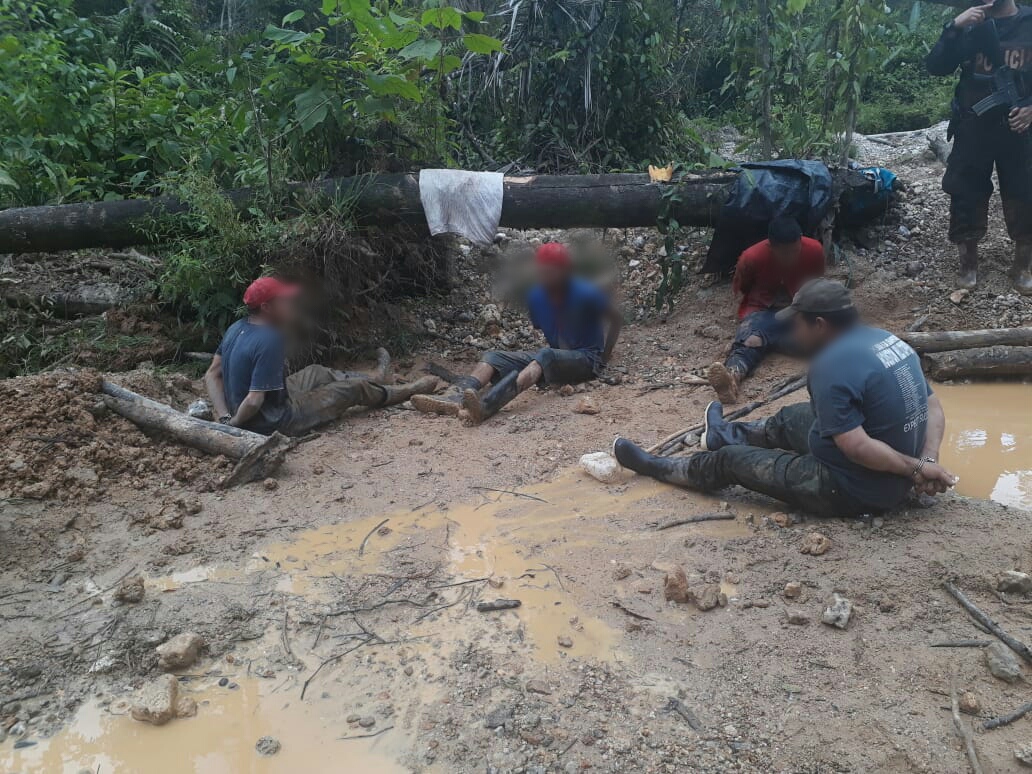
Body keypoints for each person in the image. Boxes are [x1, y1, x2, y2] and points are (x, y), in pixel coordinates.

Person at [614, 279, 957, 516]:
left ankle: (661, 468)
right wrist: (926, 461)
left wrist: (916, 471)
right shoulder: (889, 341)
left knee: (733, 462)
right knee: (793, 416)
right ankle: (719, 434)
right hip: (893, 470)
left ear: (820, 324)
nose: (794, 332)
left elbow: (856, 447)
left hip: (852, 488)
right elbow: (932, 406)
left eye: (798, 324)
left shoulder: (830, 366)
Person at [412, 242, 622, 424]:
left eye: (552, 271)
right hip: (555, 358)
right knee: (494, 357)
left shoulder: (586, 292)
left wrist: (603, 358)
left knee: (545, 355)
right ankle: (457, 396)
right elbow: (543, 327)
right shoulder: (536, 296)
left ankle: (488, 405)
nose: (546, 277)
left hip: (586, 358)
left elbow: (616, 318)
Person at [204, 276, 436, 436]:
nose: (291, 303)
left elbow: (212, 374)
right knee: (351, 390)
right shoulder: (270, 339)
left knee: (317, 371)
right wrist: (235, 424)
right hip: (275, 420)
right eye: (284, 300)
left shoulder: (237, 327)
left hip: (261, 406)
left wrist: (225, 416)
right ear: (267, 307)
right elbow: (254, 400)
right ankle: (406, 391)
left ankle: (376, 378)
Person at [926, 0, 1032, 294]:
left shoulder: (1029, 22)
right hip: (973, 125)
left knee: (1026, 193)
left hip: (1020, 127)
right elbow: (935, 67)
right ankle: (968, 264)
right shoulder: (970, 24)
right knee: (965, 192)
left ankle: (1023, 265)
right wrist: (955, 27)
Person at [707, 217, 825, 404]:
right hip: (764, 312)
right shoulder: (752, 257)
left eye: (794, 251)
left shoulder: (814, 250)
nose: (790, 257)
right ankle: (732, 378)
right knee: (751, 340)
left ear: (801, 240)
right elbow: (742, 286)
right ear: (771, 246)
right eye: (783, 253)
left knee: (823, 337)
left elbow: (818, 280)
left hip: (800, 310)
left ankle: (773, 343)